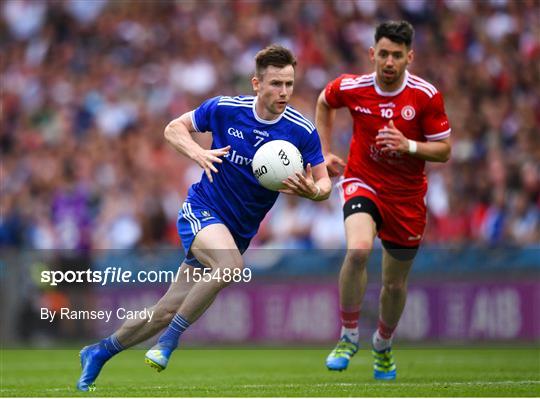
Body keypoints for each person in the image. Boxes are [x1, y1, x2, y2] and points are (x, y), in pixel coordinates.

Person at [76, 44, 331, 391]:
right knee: (230, 267)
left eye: (289, 83)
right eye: (275, 84)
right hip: (203, 211)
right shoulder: (225, 109)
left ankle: (99, 351)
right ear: (257, 84)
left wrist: (311, 191)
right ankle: (168, 342)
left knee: (166, 308)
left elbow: (324, 182)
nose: (284, 91)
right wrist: (197, 151)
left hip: (238, 230)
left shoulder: (301, 130)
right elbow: (172, 128)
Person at [315, 21, 451, 380]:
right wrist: (323, 153)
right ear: (372, 54)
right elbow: (324, 102)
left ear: (410, 57)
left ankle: (383, 344)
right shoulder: (353, 87)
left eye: (397, 55)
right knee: (358, 249)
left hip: (407, 198)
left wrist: (408, 145)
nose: (389, 62)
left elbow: (444, 150)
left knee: (393, 284)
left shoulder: (425, 96)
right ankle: (348, 335)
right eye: (383, 54)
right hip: (364, 181)